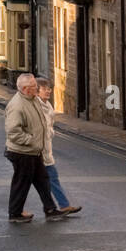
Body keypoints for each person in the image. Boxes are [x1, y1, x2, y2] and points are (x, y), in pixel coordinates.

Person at [4, 74, 67, 224]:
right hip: (22, 152)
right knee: (22, 183)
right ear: (25, 89)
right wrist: (32, 141)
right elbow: (13, 132)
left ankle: (50, 209)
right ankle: (15, 213)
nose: (37, 89)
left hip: (34, 151)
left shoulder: (32, 100)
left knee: (43, 180)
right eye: (34, 87)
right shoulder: (17, 106)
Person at [36, 80, 81, 216]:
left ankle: (62, 206)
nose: (48, 91)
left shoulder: (47, 105)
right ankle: (17, 210)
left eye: (49, 88)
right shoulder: (36, 107)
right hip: (37, 151)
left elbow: (49, 126)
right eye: (45, 89)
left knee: (52, 179)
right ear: (37, 91)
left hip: (46, 150)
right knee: (25, 183)